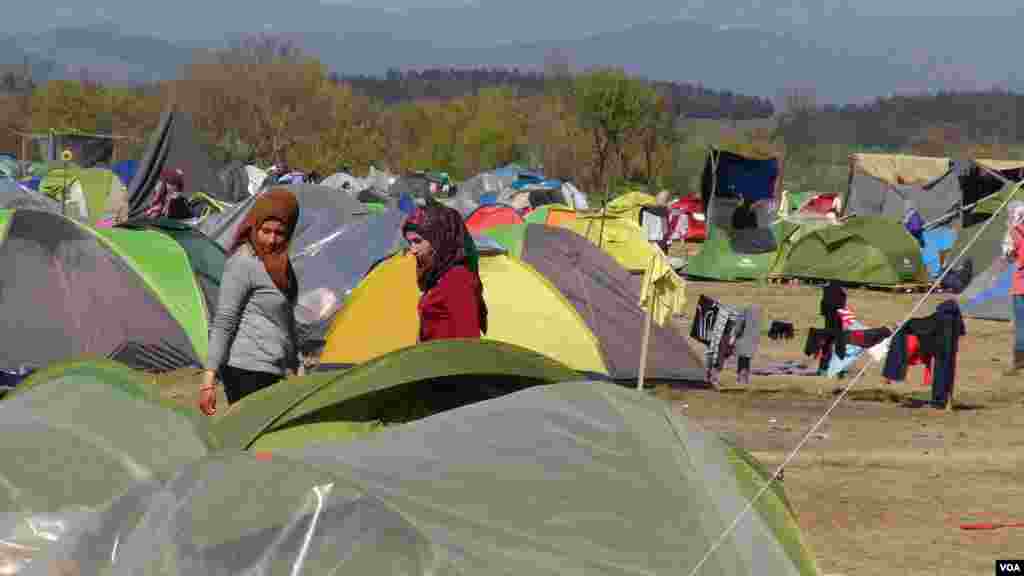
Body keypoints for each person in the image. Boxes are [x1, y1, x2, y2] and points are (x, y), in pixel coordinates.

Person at [199, 188, 301, 415]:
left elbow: (285, 318)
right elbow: (225, 319)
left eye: (280, 233)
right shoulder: (243, 263)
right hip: (245, 369)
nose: (272, 240)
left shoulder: (281, 266)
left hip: (274, 367)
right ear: (254, 226)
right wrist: (209, 378)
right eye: (266, 231)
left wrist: (296, 361)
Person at [402, 204, 488, 342]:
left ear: (439, 239)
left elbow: (469, 339)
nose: (413, 250)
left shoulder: (458, 278)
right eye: (410, 243)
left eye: (417, 241)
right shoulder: (439, 274)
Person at [1002, 200, 1024, 375]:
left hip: (1020, 286)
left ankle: (1019, 362)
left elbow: (1008, 256)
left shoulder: (1013, 233)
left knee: (1021, 325)